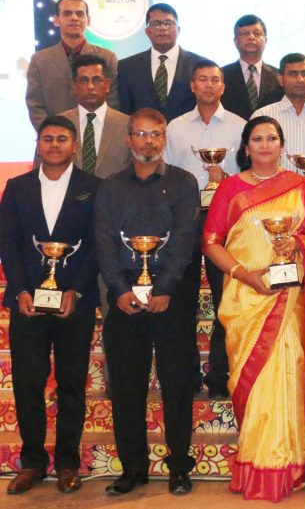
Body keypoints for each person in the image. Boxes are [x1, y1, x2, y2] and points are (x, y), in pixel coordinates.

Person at [202, 116, 305, 501]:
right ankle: (256, 460)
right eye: (258, 139)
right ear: (246, 147)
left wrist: (298, 246)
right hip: (245, 299)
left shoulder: (303, 187)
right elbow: (210, 242)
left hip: (287, 298)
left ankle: (284, 465)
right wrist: (243, 274)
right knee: (251, 386)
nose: (266, 145)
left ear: (282, 145)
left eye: (272, 138)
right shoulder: (230, 189)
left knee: (284, 378)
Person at [95, 108, 200, 495]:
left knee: (176, 385)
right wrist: (120, 290)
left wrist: (165, 289)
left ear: (164, 139)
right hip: (124, 303)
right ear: (128, 140)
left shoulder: (185, 182)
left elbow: (186, 240)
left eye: (156, 134)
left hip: (171, 302)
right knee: (126, 387)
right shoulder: (110, 187)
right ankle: (133, 468)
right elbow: (105, 243)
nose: (149, 141)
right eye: (141, 134)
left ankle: (178, 468)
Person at [0, 116, 100, 495]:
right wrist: (21, 290)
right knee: (28, 382)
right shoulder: (17, 187)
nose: (54, 145)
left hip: (75, 302)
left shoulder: (93, 188)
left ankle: (68, 463)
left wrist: (74, 289)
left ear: (75, 146)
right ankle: (33, 463)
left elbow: (95, 244)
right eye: (47, 139)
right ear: (38, 145)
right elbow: (7, 242)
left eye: (62, 139)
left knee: (72, 383)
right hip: (27, 302)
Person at [165, 60, 246, 399]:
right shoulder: (176, 127)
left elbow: (246, 178)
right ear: (192, 86)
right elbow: (166, 175)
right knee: (181, 299)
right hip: (184, 219)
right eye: (203, 80)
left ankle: (219, 374)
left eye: (215, 80)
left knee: (223, 296)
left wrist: (225, 183)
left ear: (223, 87)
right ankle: (184, 374)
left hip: (225, 220)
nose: (209, 85)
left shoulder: (240, 126)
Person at [252, 53, 305, 198]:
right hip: (272, 202)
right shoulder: (262, 117)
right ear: (280, 79)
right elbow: (252, 166)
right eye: (293, 74)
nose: (300, 79)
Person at [26, 0, 118, 130]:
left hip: (96, 138)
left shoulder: (107, 57)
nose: (74, 18)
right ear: (56, 20)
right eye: (67, 13)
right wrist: (52, 134)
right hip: (54, 142)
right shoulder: (39, 60)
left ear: (88, 20)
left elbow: (113, 102)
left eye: (80, 14)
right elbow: (35, 104)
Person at [117, 3, 207, 123]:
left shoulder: (199, 65)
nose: (162, 28)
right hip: (144, 138)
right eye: (156, 23)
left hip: (188, 139)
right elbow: (124, 112)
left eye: (168, 23)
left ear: (178, 30)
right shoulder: (126, 67)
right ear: (147, 31)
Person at [58, 54, 132, 179]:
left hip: (114, 197)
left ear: (107, 85)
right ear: (74, 86)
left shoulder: (128, 125)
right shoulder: (59, 124)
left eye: (96, 80)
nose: (90, 86)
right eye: (83, 80)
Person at [220, 14, 284, 120]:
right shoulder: (222, 75)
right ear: (235, 41)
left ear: (266, 40)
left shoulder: (279, 76)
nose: (251, 37)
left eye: (257, 33)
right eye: (244, 33)